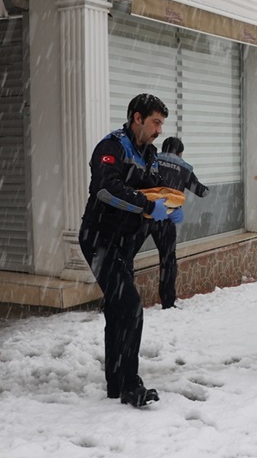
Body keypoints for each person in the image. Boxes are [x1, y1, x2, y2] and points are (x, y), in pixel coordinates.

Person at [78, 93, 183, 407]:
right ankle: (130, 385)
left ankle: (115, 383)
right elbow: (106, 190)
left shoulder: (149, 154)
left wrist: (170, 205)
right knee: (131, 307)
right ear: (137, 118)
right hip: (99, 238)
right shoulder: (112, 147)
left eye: (161, 124)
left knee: (117, 309)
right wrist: (148, 205)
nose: (158, 130)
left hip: (124, 243)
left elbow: (155, 190)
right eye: (155, 122)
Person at [145, 136, 210, 309]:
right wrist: (207, 190)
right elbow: (200, 192)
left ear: (164, 148)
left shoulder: (152, 160)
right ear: (180, 152)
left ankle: (115, 300)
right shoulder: (184, 168)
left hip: (144, 214)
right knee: (167, 259)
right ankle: (168, 301)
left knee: (126, 255)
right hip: (166, 218)